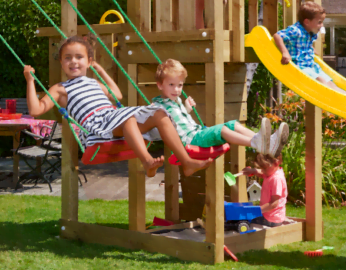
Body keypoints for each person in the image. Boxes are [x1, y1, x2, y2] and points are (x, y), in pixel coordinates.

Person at [23, 36, 212, 178]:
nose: (73, 61)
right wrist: (30, 81)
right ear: (62, 63)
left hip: (113, 117)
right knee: (129, 118)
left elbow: (116, 95)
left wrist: (100, 70)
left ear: (88, 62)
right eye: (67, 58)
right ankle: (147, 162)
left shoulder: (94, 83)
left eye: (79, 57)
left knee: (160, 113)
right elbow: (35, 110)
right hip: (97, 125)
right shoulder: (60, 88)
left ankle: (187, 162)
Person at [151, 58, 284, 156]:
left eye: (180, 85)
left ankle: (267, 142)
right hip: (190, 141)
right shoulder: (157, 106)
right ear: (160, 85)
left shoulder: (177, 101)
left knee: (233, 124)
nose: (176, 89)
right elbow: (156, 124)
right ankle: (256, 143)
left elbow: (176, 120)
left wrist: (186, 109)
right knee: (221, 130)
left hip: (197, 133)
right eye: (171, 85)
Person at [274, 1, 346, 104]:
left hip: (312, 67)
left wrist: (310, 49)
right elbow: (277, 36)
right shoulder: (295, 30)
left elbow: (301, 44)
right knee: (322, 82)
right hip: (301, 68)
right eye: (319, 22)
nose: (321, 25)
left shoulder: (309, 33)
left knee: (331, 84)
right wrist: (285, 52)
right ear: (307, 22)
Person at [242, 153, 289, 227]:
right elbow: (262, 173)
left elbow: (273, 204)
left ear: (276, 163)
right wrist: (253, 171)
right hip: (270, 215)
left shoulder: (276, 179)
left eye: (264, 168)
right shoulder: (271, 173)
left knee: (244, 219)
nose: (262, 171)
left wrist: (256, 210)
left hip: (271, 219)